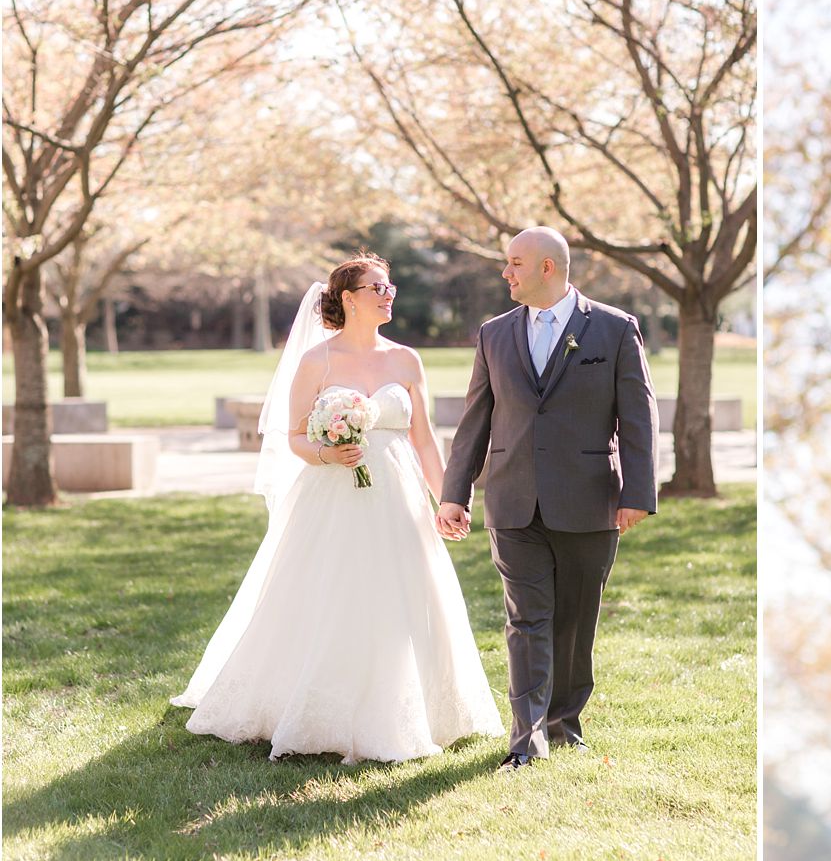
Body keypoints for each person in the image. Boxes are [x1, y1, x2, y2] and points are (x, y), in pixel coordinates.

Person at [172, 253, 505, 763]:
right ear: (348, 298)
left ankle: (416, 712)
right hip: (332, 496)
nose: (388, 294)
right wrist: (327, 451)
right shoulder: (317, 362)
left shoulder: (406, 360)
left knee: (403, 594)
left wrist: (449, 499)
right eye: (377, 287)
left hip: (398, 495)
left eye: (390, 287)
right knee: (331, 592)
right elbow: (294, 439)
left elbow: (425, 441)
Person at [436, 227, 658, 773]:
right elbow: (475, 421)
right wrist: (454, 493)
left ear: (547, 268)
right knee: (526, 619)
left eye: (514, 263)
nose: (505, 273)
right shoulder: (493, 334)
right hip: (512, 500)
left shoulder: (614, 329)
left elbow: (638, 418)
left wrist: (637, 493)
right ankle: (526, 737)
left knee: (576, 621)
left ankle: (563, 722)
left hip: (589, 502)